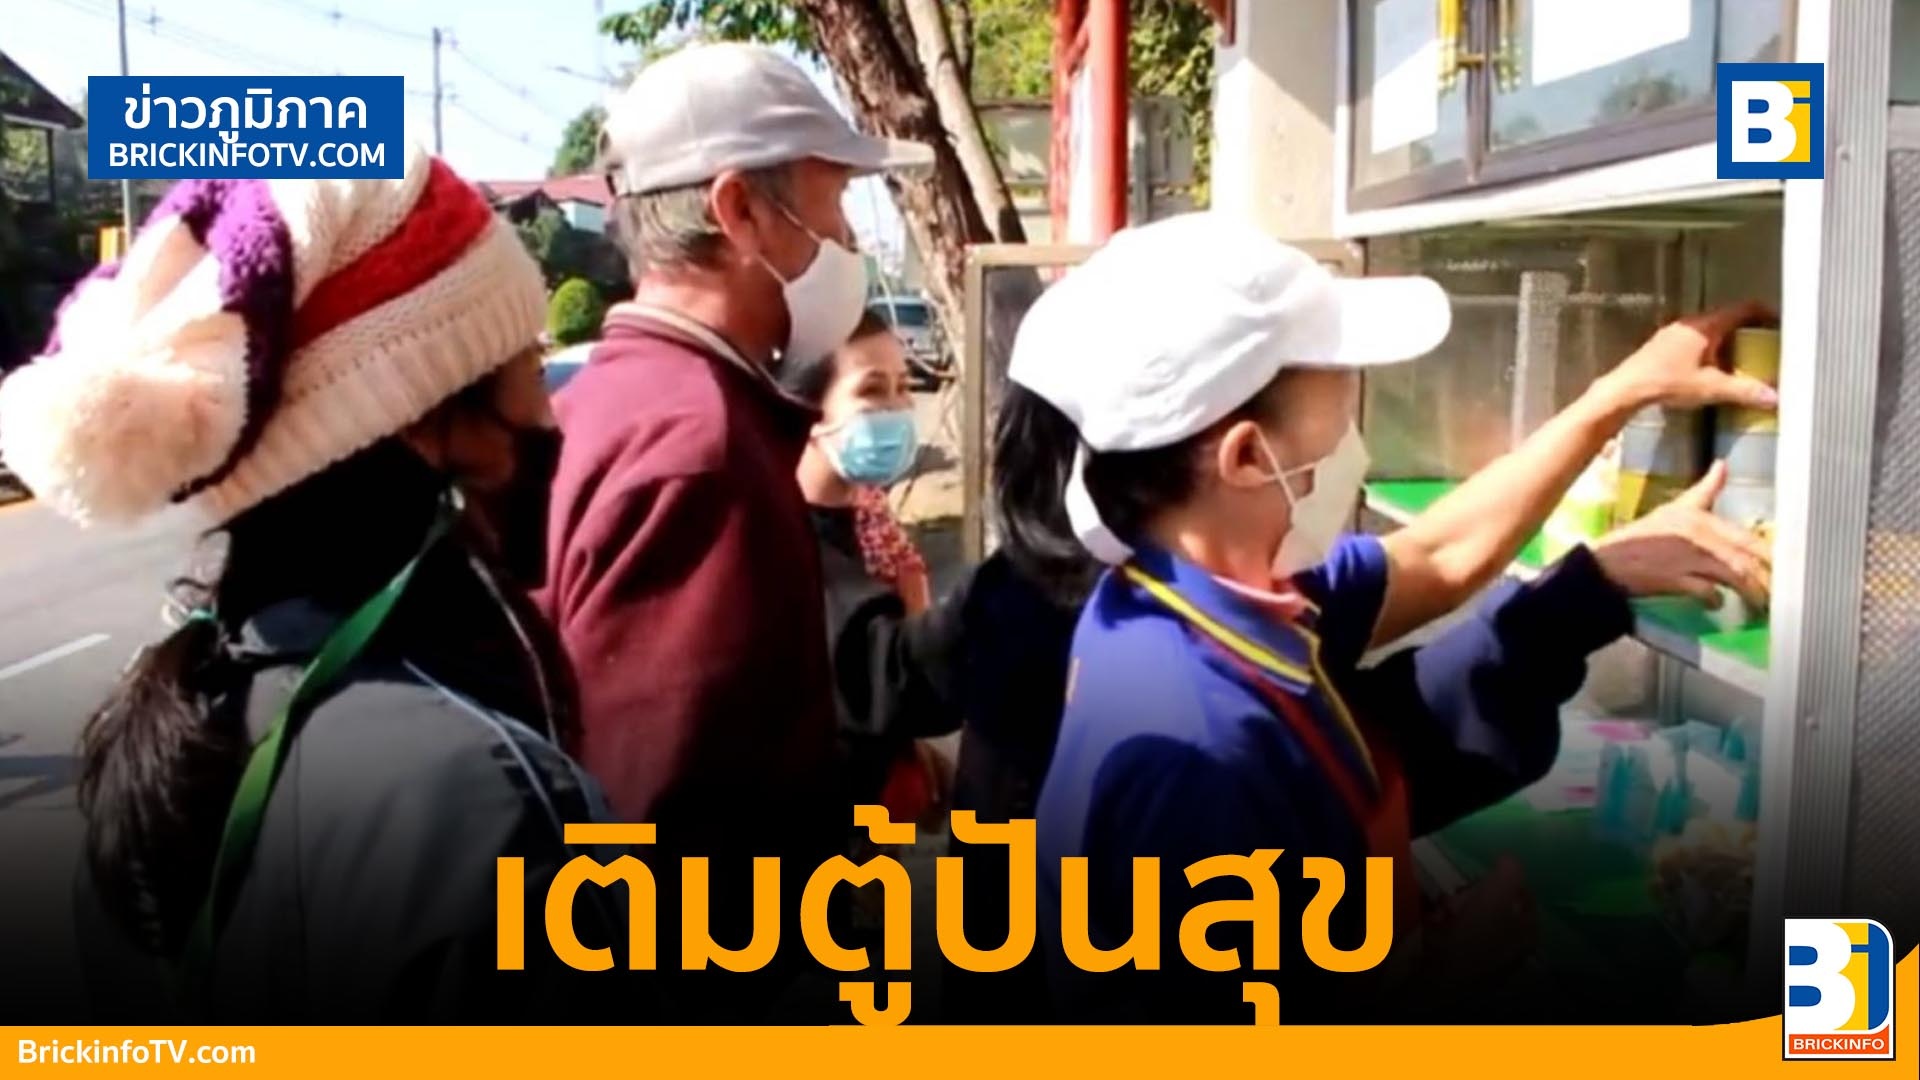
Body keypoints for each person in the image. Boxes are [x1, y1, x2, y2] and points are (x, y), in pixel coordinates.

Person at [1003, 214, 1776, 1023]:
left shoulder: (1196, 594)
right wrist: (1445, 970)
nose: (1353, 424)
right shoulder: (1195, 748)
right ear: (1245, 455)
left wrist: (1617, 406)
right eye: (1338, 384)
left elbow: (1437, 556)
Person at [0, 149, 631, 1022]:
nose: (548, 416)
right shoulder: (490, 801)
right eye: (527, 365)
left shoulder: (168, 733)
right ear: (419, 419)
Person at [538, 42, 933, 1013]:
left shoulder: (620, 401)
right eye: (834, 203)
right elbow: (673, 853)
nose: (849, 240)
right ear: (739, 210)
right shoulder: (701, 449)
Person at [780, 311, 956, 824]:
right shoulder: (780, 537)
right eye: (872, 390)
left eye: (903, 387)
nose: (898, 408)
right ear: (808, 410)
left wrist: (911, 746)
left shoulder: (872, 515)